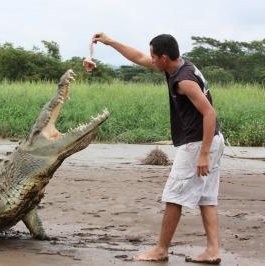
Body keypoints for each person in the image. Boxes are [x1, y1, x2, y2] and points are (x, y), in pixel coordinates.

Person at [91, 33, 224, 264]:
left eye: (154, 56)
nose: (150, 59)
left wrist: (202, 153)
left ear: (164, 58)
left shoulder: (183, 80)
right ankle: (213, 250)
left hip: (198, 142)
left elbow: (209, 113)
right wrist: (110, 41)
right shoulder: (178, 65)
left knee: (173, 197)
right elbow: (139, 57)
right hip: (213, 139)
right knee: (206, 197)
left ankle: (161, 249)